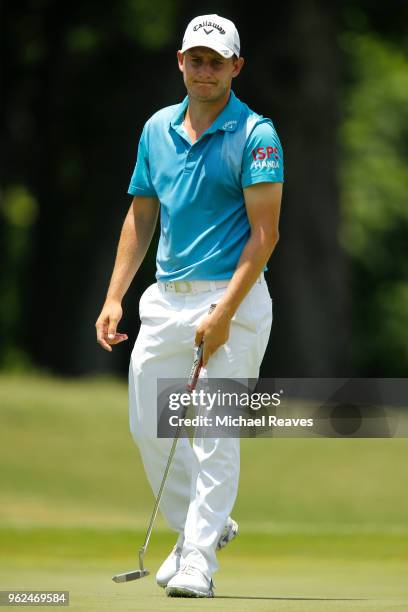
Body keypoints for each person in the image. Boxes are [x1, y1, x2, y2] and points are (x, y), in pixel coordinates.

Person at [95, 13, 283, 598]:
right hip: (166, 300)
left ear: (236, 67)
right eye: (195, 59)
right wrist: (114, 296)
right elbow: (142, 213)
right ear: (180, 62)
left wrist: (224, 313)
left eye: (216, 61)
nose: (205, 70)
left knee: (213, 434)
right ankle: (206, 524)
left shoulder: (257, 135)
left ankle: (198, 560)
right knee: (149, 425)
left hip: (235, 298)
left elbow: (265, 234)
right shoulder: (157, 128)